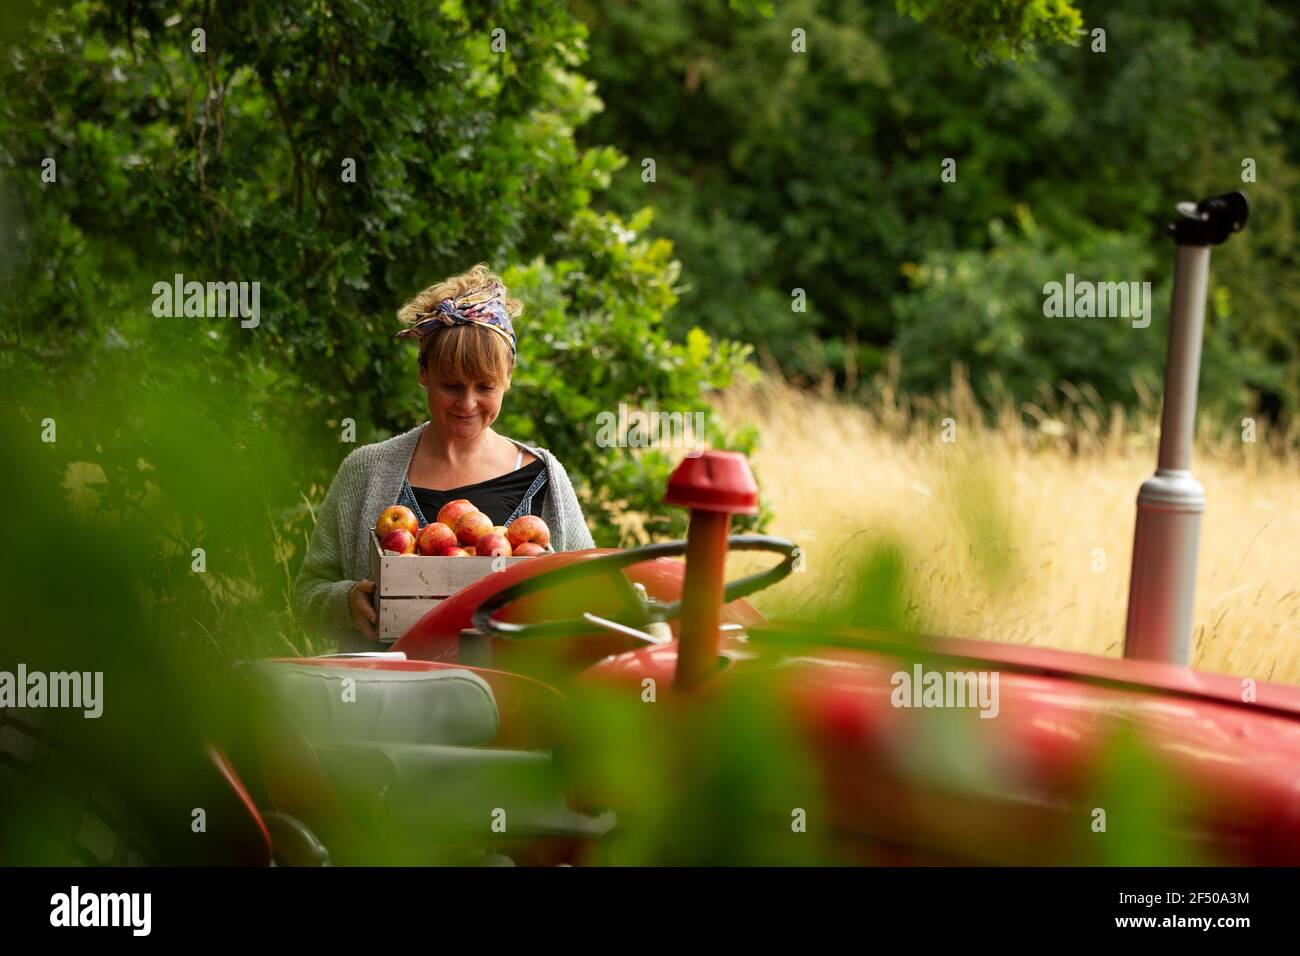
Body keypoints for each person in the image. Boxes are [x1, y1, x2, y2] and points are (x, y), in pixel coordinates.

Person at [292, 263, 595, 651]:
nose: (467, 404)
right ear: (423, 373)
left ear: (508, 377)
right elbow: (307, 594)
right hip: (389, 703)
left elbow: (591, 591)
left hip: (508, 702)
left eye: (484, 386)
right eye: (451, 386)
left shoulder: (542, 477)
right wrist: (346, 602)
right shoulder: (366, 472)